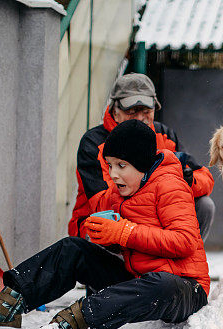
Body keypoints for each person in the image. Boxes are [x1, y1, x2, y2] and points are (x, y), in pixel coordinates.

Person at [0, 120, 209, 329]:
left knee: (162, 284)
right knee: (73, 248)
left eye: (122, 165)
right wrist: (105, 237)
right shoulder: (118, 192)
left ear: (142, 165)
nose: (114, 174)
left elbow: (185, 242)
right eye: (110, 165)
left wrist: (124, 232)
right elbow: (108, 230)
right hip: (139, 278)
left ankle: (73, 320)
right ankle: (7, 308)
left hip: (185, 288)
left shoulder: (170, 186)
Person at [68, 73, 215, 241]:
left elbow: (204, 178)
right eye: (131, 112)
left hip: (151, 217)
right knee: (103, 221)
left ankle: (182, 261)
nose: (139, 118)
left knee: (204, 205)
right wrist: (152, 188)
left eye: (146, 111)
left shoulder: (164, 134)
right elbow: (102, 204)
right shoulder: (93, 143)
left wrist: (187, 182)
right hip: (106, 222)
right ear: (114, 112)